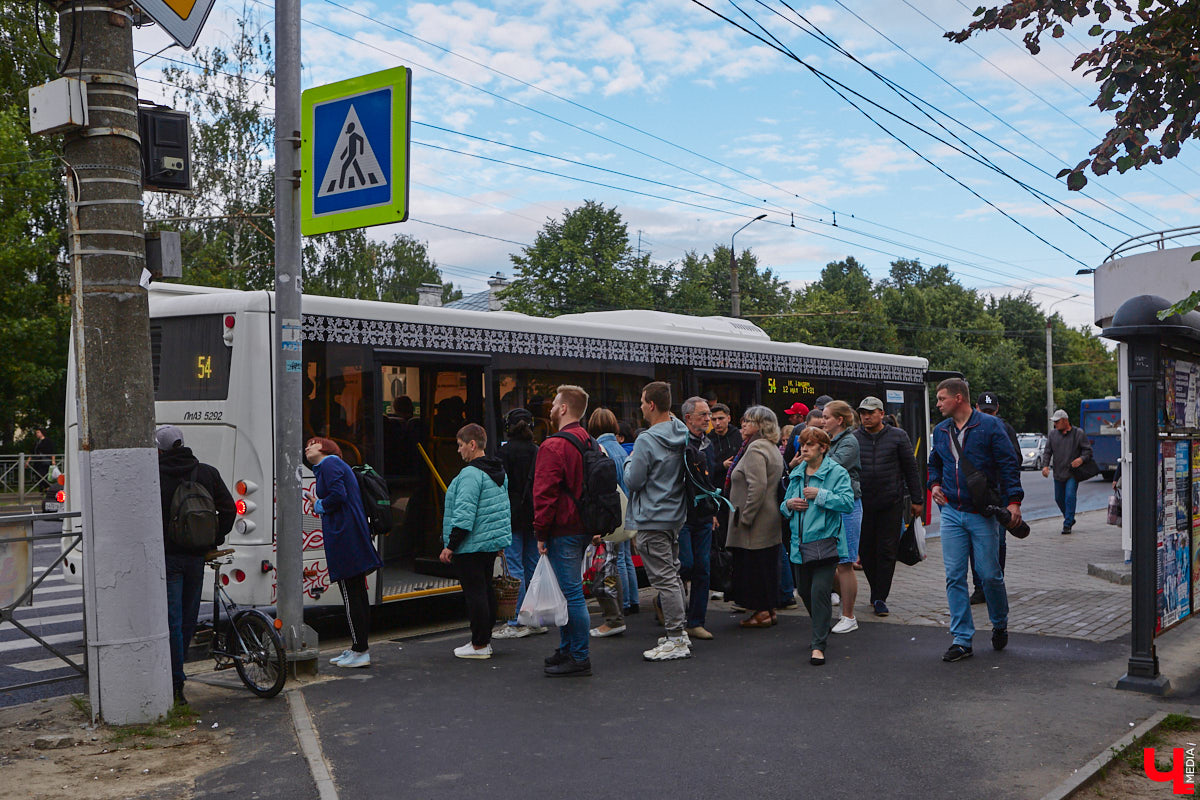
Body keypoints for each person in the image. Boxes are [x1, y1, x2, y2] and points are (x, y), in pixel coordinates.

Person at [928, 378, 1024, 662]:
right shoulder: (941, 430)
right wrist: (934, 485)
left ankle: (1000, 622)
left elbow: (1008, 464)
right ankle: (961, 639)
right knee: (954, 576)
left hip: (983, 512)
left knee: (989, 574)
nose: (938, 404)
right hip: (951, 512)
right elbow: (934, 463)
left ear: (958, 398)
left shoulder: (990, 426)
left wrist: (1014, 502)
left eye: (942, 398)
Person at [157, 425, 235, 706]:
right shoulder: (206, 472)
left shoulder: (154, 474)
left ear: (159, 449)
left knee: (172, 621)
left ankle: (175, 683)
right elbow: (229, 509)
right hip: (196, 557)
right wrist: (213, 539)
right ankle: (178, 674)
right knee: (188, 618)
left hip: (168, 557)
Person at [625, 381, 692, 661]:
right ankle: (679, 633)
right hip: (674, 514)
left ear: (651, 405)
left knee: (665, 580)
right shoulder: (682, 432)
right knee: (672, 576)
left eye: (642, 402)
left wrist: (628, 462)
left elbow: (633, 480)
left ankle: (676, 638)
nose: (641, 407)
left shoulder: (646, 440)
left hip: (651, 517)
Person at [307, 436, 384, 669]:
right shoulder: (332, 466)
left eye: (312, 443)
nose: (307, 447)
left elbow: (338, 495)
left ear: (326, 448)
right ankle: (359, 647)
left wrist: (318, 504)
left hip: (345, 535)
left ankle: (360, 651)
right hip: (350, 533)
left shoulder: (330, 463)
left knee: (351, 593)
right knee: (356, 592)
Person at [533, 385, 594, 677]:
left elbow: (545, 494)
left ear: (565, 408)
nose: (551, 408)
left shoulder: (553, 445)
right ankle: (567, 648)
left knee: (571, 594)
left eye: (555, 403)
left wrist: (540, 533)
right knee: (569, 592)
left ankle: (579, 656)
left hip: (563, 527)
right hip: (584, 524)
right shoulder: (588, 440)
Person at [781, 426, 854, 666]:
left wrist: (820, 495)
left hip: (826, 544)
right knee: (804, 591)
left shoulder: (837, 472)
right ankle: (821, 625)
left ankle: (818, 645)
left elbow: (848, 503)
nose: (804, 449)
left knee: (819, 592)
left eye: (810, 444)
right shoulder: (797, 472)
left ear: (823, 448)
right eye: (802, 444)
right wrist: (789, 504)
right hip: (799, 544)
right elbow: (783, 505)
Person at [440, 423, 513, 659]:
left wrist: (451, 545)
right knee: (485, 590)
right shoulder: (497, 471)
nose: (458, 450)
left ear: (472, 445)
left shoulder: (470, 474)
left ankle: (479, 644)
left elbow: (464, 514)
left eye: (460, 445)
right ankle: (484, 640)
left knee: (475, 594)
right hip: (489, 543)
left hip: (470, 544)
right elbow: (501, 510)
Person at [854, 397, 923, 617]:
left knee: (886, 551)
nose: (866, 417)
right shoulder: (855, 438)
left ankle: (880, 597)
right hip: (863, 504)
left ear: (881, 414)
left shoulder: (897, 436)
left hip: (890, 503)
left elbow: (911, 469)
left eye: (870, 413)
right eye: (863, 413)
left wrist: (917, 499)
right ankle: (875, 590)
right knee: (866, 552)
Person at [727, 405, 786, 628]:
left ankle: (761, 612)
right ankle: (769, 610)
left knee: (755, 568)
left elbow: (757, 486)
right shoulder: (770, 446)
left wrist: (746, 517)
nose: (743, 425)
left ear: (761, 425)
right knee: (767, 566)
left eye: (748, 421)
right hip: (768, 517)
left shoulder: (755, 449)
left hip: (756, 520)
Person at [494, 409, 548, 639]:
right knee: (533, 567)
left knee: (514, 567)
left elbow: (499, 485)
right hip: (534, 515)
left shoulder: (504, 452)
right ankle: (534, 618)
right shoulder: (538, 451)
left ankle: (517, 620)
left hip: (512, 515)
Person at [588, 407, 636, 636]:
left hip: (612, 512)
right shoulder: (620, 448)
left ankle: (620, 607)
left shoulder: (601, 450)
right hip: (628, 510)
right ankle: (632, 600)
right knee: (625, 559)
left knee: (613, 562)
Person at [969, 391, 1021, 603]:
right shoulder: (970, 427)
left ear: (997, 409)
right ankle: (979, 587)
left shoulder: (1004, 429)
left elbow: (1014, 461)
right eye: (984, 410)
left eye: (991, 411)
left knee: (998, 541)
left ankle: (995, 584)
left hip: (999, 495)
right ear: (976, 408)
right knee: (975, 542)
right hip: (977, 494)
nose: (988, 414)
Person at [818, 400, 863, 634]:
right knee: (832, 562)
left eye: (826, 417)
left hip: (847, 506)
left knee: (845, 562)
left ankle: (849, 615)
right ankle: (844, 605)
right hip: (831, 505)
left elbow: (830, 467)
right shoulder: (830, 440)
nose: (822, 420)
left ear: (840, 420)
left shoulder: (849, 441)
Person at [678, 396, 718, 640]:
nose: (708, 419)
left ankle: (695, 622)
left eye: (708, 414)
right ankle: (667, 601)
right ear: (688, 418)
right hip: (682, 514)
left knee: (703, 568)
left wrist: (712, 512)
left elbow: (709, 479)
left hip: (703, 514)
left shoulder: (708, 444)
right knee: (685, 564)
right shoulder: (679, 443)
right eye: (703, 414)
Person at [1041, 409, 1093, 535]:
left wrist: (1081, 459)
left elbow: (1088, 451)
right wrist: (1045, 466)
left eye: (1057, 422)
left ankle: (1067, 524)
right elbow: (1047, 452)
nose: (1055, 424)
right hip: (1058, 472)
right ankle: (1069, 517)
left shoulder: (1078, 433)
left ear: (1065, 421)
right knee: (1059, 498)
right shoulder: (1053, 435)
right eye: (1054, 422)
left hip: (1072, 473)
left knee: (1069, 496)